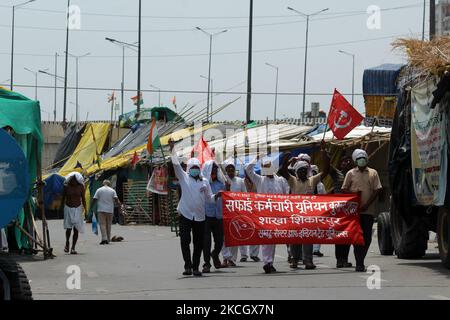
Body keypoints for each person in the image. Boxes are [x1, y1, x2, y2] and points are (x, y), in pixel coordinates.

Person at [169, 141, 220, 277]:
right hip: (185, 215)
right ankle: (188, 266)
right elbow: (176, 165)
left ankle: (196, 267)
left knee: (198, 243)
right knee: (185, 241)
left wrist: (217, 196)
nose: (195, 169)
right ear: (189, 168)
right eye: (193, 167)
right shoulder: (183, 177)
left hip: (200, 217)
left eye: (197, 167)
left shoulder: (204, 181)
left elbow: (209, 198)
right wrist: (172, 150)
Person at [279, 150, 330, 270]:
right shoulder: (293, 181)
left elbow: (326, 171)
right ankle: (295, 260)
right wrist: (286, 160)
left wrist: (325, 157)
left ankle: (308, 261)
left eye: (304, 170)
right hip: (295, 215)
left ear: (307, 171)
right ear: (296, 172)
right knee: (295, 238)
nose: (302, 171)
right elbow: (282, 171)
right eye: (300, 170)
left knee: (308, 238)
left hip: (309, 216)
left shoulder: (312, 180)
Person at [245, 154, 290, 274]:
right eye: (265, 166)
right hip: (264, 214)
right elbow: (248, 170)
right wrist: (257, 159)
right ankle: (267, 262)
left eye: (269, 166)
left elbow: (287, 194)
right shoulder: (259, 179)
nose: (267, 168)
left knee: (273, 239)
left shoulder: (280, 180)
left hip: (278, 214)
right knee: (266, 238)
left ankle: (270, 262)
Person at [342, 149, 382, 272]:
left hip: (368, 211)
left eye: (363, 158)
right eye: (359, 159)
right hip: (355, 213)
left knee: (367, 237)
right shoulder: (350, 173)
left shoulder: (373, 173)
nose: (361, 161)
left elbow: (377, 190)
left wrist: (367, 204)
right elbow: (344, 189)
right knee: (357, 238)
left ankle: (361, 259)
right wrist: (354, 195)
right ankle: (359, 262)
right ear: (355, 161)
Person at [326, 154, 355, 268]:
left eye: (348, 161)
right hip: (338, 210)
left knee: (347, 235)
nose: (346, 163)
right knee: (338, 236)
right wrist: (325, 152)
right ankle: (339, 260)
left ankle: (345, 259)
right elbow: (327, 166)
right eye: (344, 161)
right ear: (340, 164)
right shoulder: (337, 174)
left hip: (349, 209)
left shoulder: (354, 174)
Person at [201, 160, 226, 273]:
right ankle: (207, 264)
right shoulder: (203, 184)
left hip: (219, 216)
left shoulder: (222, 184)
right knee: (206, 241)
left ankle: (215, 254)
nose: (214, 171)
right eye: (212, 169)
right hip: (206, 215)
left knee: (220, 241)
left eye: (216, 169)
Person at [61, 172, 87, 255]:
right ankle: (67, 243)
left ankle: (73, 248)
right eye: (72, 179)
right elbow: (63, 197)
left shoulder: (81, 187)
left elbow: (83, 199)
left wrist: (86, 210)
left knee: (76, 229)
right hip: (68, 208)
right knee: (68, 228)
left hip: (78, 208)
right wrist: (61, 208)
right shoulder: (66, 187)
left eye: (75, 179)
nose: (74, 181)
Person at [239, 170, 261, 263]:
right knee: (243, 231)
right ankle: (244, 255)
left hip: (256, 208)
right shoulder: (241, 181)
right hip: (243, 208)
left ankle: (254, 254)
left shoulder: (259, 181)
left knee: (256, 231)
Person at [92, 180, 122, 245]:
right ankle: (108, 239)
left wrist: (92, 207)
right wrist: (120, 206)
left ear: (103, 184)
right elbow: (116, 199)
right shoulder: (112, 190)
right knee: (109, 225)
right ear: (109, 184)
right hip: (110, 210)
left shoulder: (99, 190)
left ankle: (104, 239)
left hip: (101, 210)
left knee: (102, 224)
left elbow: (94, 199)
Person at [311, 164, 326, 258]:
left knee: (319, 229)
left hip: (318, 209)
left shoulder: (320, 185)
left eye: (315, 173)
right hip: (308, 210)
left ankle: (316, 249)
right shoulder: (307, 183)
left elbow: (324, 196)